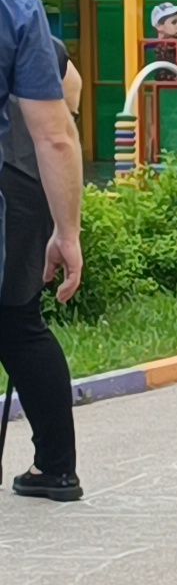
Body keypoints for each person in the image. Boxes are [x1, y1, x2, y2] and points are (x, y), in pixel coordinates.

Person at [0, 30, 85, 501]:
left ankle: (55, 466)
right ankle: (55, 466)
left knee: (18, 326)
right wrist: (65, 223)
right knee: (19, 322)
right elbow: (67, 106)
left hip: (13, 180)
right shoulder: (20, 13)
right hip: (28, 183)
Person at [0, 0, 83, 329]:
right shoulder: (16, 4)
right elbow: (57, 136)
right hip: (22, 176)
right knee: (21, 327)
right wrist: (68, 232)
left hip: (20, 176)